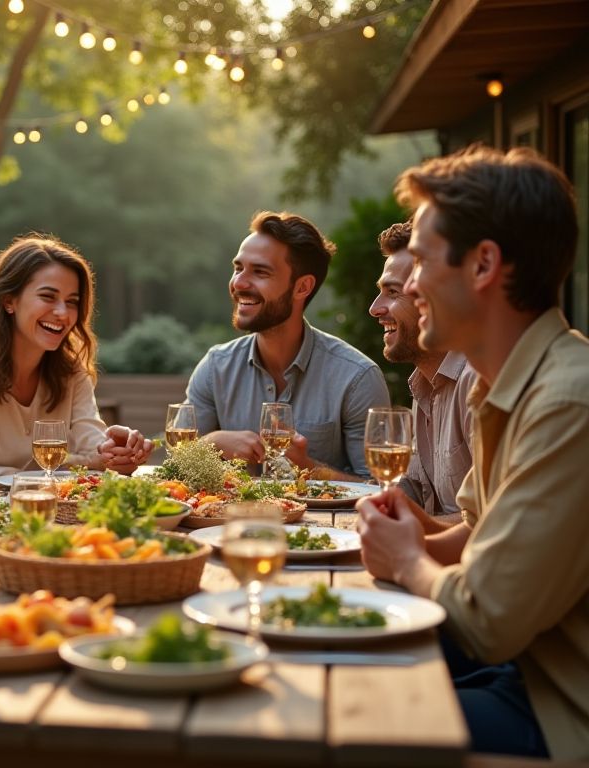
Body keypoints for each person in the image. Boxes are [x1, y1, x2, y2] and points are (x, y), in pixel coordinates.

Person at [356, 145, 589, 760]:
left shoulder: (568, 403)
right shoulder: (502, 384)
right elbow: (479, 532)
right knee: (334, 665)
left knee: (346, 719)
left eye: (423, 262)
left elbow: (485, 623)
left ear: (484, 265)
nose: (407, 285)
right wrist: (407, 544)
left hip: (560, 705)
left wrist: (408, 563)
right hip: (524, 671)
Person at [0, 234, 153, 512]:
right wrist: (57, 474)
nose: (62, 313)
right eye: (47, 297)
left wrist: (114, 450)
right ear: (9, 301)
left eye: (72, 301)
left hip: (37, 516)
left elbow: (92, 442)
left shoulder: (70, 368)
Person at [186, 210, 390, 479]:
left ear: (302, 287)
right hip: (229, 521)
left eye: (260, 271)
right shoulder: (215, 368)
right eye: (238, 268)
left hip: (325, 523)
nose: (239, 283)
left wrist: (307, 466)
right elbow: (177, 469)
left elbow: (380, 488)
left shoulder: (356, 378)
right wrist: (212, 443)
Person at [369, 221, 477, 526]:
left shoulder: (475, 382)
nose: (375, 309)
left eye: (393, 292)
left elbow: (493, 526)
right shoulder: (423, 383)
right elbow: (416, 492)